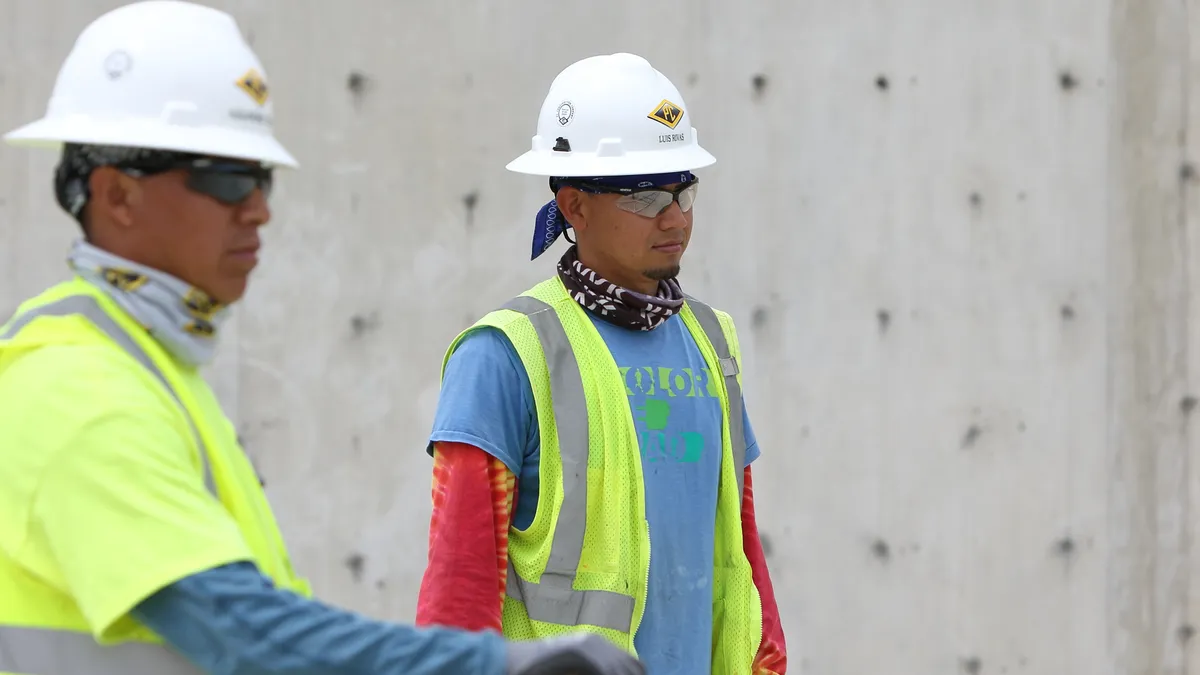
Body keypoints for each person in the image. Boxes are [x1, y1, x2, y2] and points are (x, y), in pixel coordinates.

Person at [0, 3, 645, 675]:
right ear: (116, 195)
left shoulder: (145, 367)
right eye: (225, 178)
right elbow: (245, 632)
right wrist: (499, 666)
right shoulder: (77, 387)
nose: (259, 208)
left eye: (262, 178)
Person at [415, 52, 789, 674]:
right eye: (645, 197)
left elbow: (741, 552)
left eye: (684, 189)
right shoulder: (505, 356)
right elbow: (459, 588)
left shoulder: (711, 341)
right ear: (573, 206)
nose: (675, 217)